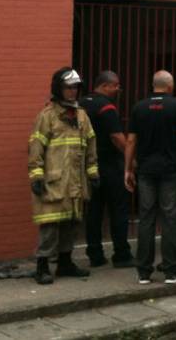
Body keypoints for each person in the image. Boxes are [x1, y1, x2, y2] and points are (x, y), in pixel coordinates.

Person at [28, 67, 99, 285]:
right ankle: (42, 266)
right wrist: (36, 175)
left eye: (75, 88)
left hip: (76, 182)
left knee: (71, 224)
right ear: (59, 89)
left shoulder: (81, 116)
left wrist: (93, 172)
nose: (73, 92)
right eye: (68, 88)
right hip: (54, 181)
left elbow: (91, 146)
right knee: (50, 226)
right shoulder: (47, 116)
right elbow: (36, 147)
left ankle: (65, 263)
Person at [125, 70, 176, 284]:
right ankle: (172, 270)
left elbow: (130, 141)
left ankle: (143, 272)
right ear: (170, 86)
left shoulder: (139, 107)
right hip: (170, 169)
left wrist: (128, 169)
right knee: (170, 217)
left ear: (153, 85)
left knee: (146, 218)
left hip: (145, 170)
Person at [79, 71, 134, 269]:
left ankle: (95, 253)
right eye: (116, 85)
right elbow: (117, 138)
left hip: (89, 166)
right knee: (118, 210)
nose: (118, 89)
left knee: (94, 211)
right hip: (110, 165)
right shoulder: (106, 107)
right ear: (104, 86)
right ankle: (121, 254)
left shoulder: (81, 104)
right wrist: (131, 160)